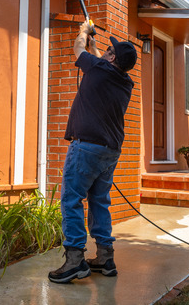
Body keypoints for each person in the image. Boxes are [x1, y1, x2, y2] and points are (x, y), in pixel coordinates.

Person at [48, 20, 137, 284]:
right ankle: (105, 258)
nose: (106, 53)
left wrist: (84, 32)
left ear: (111, 58)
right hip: (110, 151)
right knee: (99, 201)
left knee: (71, 199)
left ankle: (75, 260)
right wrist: (98, 48)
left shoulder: (99, 69)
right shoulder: (125, 82)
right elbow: (101, 65)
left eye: (110, 51)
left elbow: (78, 49)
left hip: (87, 146)